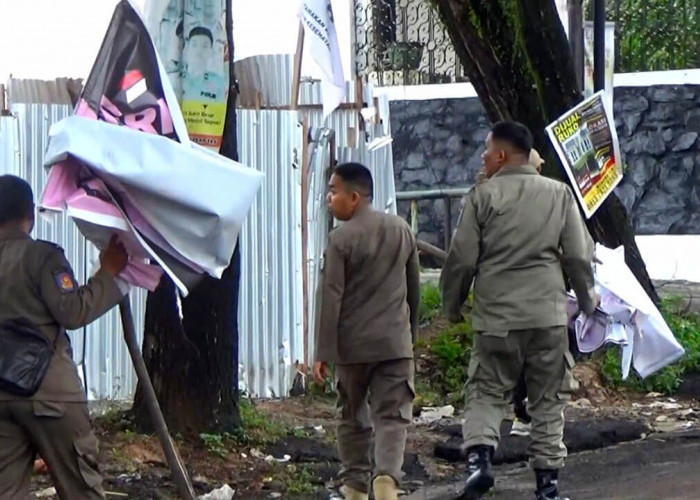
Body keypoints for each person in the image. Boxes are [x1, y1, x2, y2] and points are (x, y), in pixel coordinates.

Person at [440, 122, 597, 500]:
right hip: (547, 316)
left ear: (502, 155)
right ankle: (547, 487)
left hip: (496, 318)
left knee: (486, 391)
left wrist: (453, 305)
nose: (482, 156)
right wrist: (587, 302)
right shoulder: (559, 194)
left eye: (485, 150)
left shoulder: (482, 197)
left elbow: (461, 260)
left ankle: (479, 462)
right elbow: (578, 255)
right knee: (548, 399)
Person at [0, 175, 129, 500]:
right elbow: (72, 312)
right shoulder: (42, 257)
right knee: (81, 490)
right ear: (29, 215)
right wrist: (108, 273)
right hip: (51, 396)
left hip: (3, 397)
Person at [313, 163, 421, 500]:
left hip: (352, 348)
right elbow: (413, 289)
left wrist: (323, 352)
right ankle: (386, 482)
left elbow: (331, 297)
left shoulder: (340, 238)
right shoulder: (401, 229)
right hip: (394, 345)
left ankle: (355, 488)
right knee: (392, 417)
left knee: (352, 417)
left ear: (355, 197)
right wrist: (410, 338)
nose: (329, 199)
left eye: (333, 191)